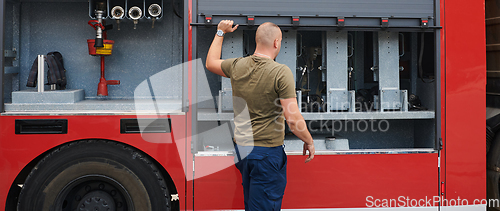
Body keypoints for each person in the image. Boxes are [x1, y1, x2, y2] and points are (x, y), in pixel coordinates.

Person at [205, 20, 315, 211]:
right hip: (266, 154)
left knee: (253, 205)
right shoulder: (280, 72)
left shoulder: (237, 65)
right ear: (276, 43)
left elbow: (211, 63)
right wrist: (309, 140)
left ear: (257, 41)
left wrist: (220, 32)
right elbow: (293, 119)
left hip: (242, 151)